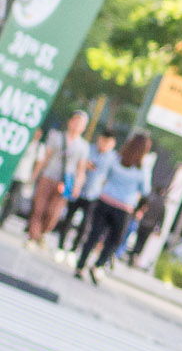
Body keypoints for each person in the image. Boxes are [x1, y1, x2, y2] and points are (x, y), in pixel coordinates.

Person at [74, 132, 151, 282]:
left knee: (93, 235)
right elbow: (145, 191)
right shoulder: (142, 169)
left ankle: (80, 266)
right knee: (115, 241)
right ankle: (98, 265)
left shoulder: (116, 159)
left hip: (104, 201)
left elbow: (104, 175)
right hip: (124, 208)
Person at [27, 111, 91, 246]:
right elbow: (46, 157)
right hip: (48, 176)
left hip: (65, 182)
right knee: (38, 208)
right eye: (75, 121)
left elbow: (81, 169)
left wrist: (78, 185)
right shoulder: (56, 137)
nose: (76, 125)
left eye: (80, 123)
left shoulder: (83, 146)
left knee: (53, 213)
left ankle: (42, 233)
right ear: (70, 121)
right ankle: (33, 237)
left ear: (84, 128)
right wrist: (34, 175)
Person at [59, 129, 116, 252]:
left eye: (108, 143)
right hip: (78, 189)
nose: (104, 144)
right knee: (68, 218)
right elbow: (75, 164)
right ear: (99, 139)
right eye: (103, 141)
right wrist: (84, 166)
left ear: (112, 144)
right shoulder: (88, 149)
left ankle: (74, 250)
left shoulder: (113, 159)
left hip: (94, 194)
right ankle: (61, 246)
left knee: (85, 224)